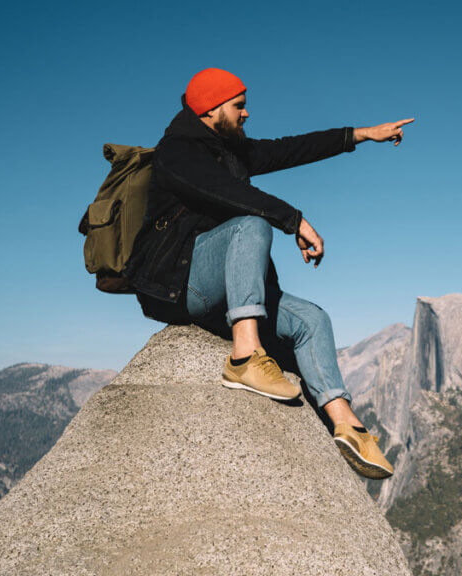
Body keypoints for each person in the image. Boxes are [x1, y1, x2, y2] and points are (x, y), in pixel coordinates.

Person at [124, 68, 413, 479]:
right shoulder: (178, 152)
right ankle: (245, 356)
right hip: (179, 283)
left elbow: (292, 149)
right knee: (251, 222)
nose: (247, 113)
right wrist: (293, 220)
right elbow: (233, 194)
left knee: (313, 320)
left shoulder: (231, 150)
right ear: (211, 109)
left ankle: (348, 426)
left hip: (220, 286)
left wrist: (363, 134)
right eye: (239, 106)